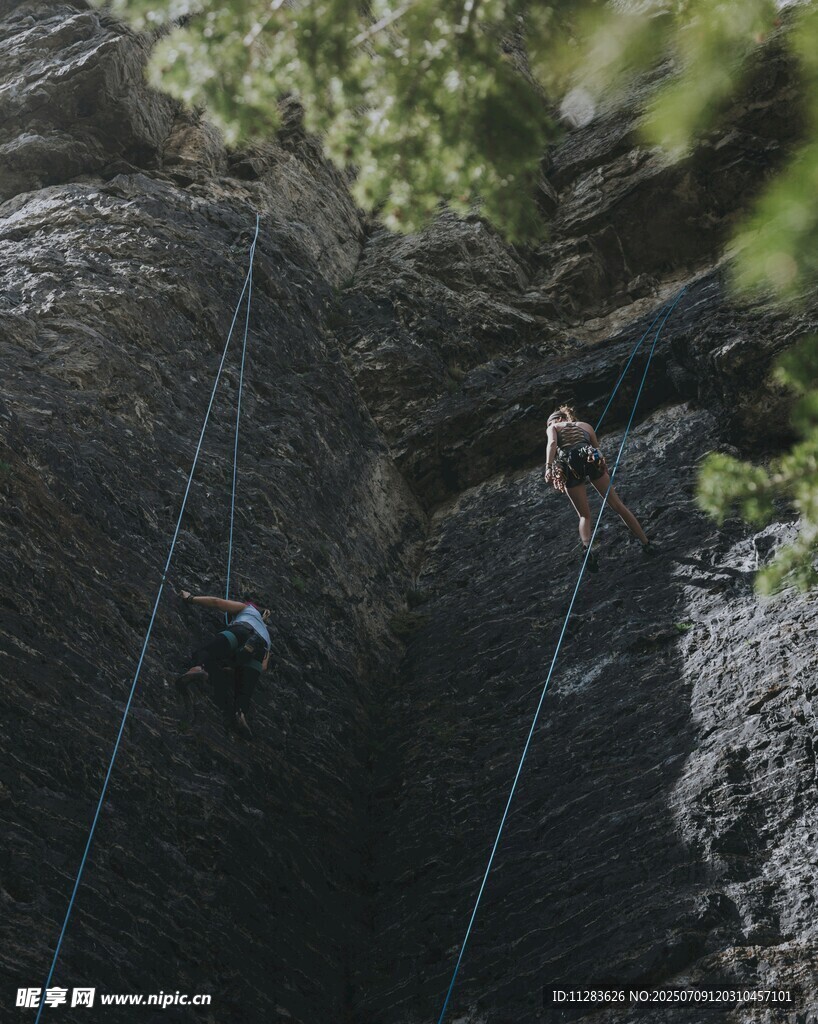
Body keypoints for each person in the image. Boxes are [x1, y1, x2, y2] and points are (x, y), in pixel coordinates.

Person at [543, 405, 654, 571]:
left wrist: (548, 467)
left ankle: (587, 549)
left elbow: (552, 443)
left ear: (558, 420)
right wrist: (604, 470)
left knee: (584, 516)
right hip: (590, 458)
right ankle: (646, 543)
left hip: (569, 463)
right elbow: (597, 449)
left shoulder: (554, 426)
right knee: (618, 506)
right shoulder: (586, 425)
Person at [175, 592, 272, 739]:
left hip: (242, 630)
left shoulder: (248, 609)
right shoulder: (268, 636)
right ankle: (240, 714)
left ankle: (198, 668)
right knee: (243, 690)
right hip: (260, 647)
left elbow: (216, 602)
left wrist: (190, 598)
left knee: (208, 650)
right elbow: (263, 667)